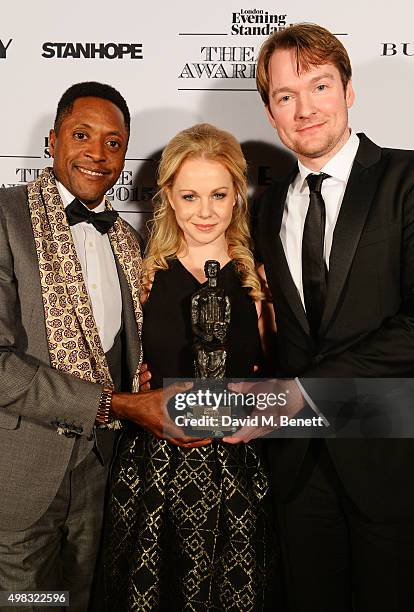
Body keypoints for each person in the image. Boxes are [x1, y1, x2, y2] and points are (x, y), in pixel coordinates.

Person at [0, 82, 192, 612]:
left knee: (80, 600)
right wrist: (121, 403)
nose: (97, 153)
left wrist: (141, 383)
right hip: (21, 476)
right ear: (52, 140)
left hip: (103, 474)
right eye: (81, 135)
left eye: (114, 142)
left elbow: (123, 354)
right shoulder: (5, 217)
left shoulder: (128, 242)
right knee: (31, 604)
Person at [250, 23, 414, 612]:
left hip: (392, 459)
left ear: (349, 90)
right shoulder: (267, 208)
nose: (304, 109)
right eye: (284, 96)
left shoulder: (406, 181)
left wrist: (305, 391)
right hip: (300, 470)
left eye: (319, 86)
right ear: (270, 112)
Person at [104, 123, 278, 611]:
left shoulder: (258, 278)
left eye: (219, 195)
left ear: (237, 197)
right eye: (190, 196)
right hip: (153, 470)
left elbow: (280, 377)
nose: (205, 212)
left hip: (239, 473)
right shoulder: (141, 275)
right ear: (169, 198)